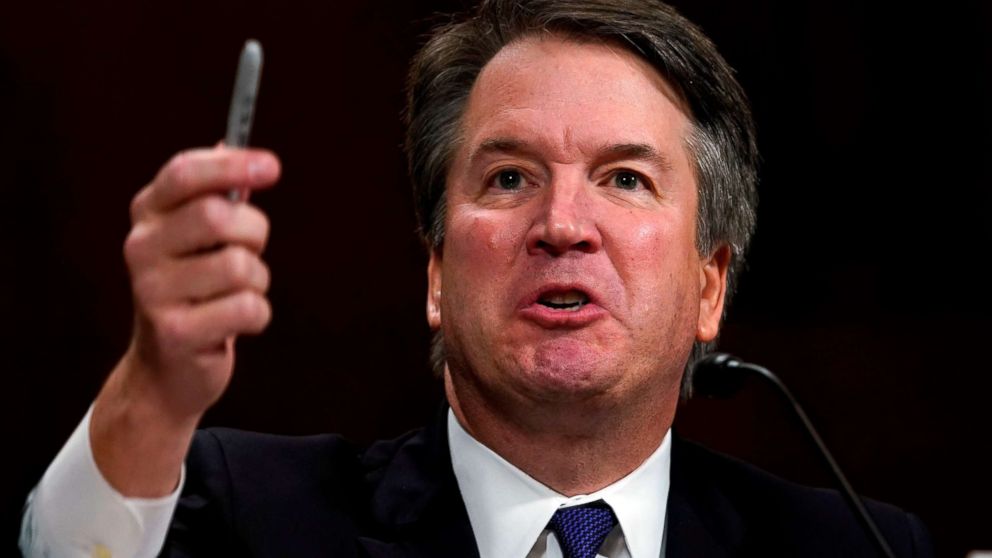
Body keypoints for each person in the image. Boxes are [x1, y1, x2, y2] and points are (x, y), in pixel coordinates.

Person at [21, 0, 933, 556]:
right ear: (435, 273)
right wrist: (154, 387)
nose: (563, 227)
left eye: (625, 179)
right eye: (508, 178)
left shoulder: (854, 544)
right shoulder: (249, 516)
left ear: (709, 289)